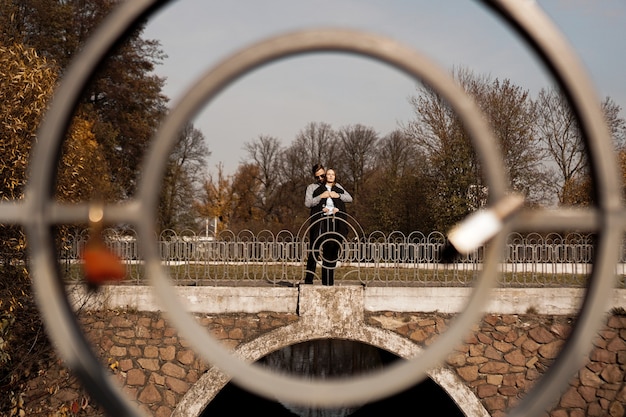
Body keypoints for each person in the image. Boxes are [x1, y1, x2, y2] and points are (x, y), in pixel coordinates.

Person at [304, 166, 352, 285]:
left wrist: (338, 196)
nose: (321, 178)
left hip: (334, 222)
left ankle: (328, 282)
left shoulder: (337, 187)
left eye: (322, 175)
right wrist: (322, 197)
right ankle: (309, 280)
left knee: (331, 251)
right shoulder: (314, 188)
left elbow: (348, 198)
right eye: (318, 177)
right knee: (314, 250)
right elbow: (308, 203)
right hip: (320, 222)